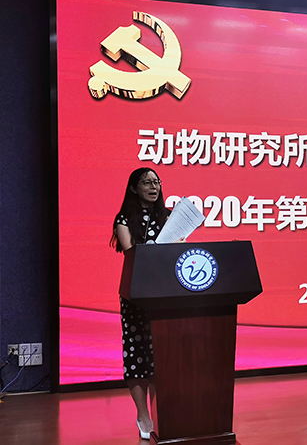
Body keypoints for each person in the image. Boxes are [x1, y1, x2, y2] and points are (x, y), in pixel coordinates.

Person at [110, 167, 170, 440]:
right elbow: (130, 252)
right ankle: (143, 415)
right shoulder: (125, 218)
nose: (153, 186)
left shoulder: (167, 217)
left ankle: (159, 412)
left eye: (156, 182)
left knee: (161, 356)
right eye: (147, 182)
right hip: (136, 294)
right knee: (137, 356)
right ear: (134, 188)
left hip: (165, 294)